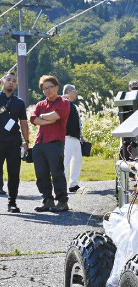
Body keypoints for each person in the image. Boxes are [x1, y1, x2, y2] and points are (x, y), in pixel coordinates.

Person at [30, 75, 71, 212]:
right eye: (44, 89)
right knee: (41, 174)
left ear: (57, 87)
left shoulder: (64, 102)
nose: (47, 91)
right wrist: (47, 118)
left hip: (55, 142)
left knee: (57, 172)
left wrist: (42, 116)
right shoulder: (40, 104)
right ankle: (48, 200)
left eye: (50, 87)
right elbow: (33, 119)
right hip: (39, 143)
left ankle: (62, 201)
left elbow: (56, 116)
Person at [0, 73, 29, 213]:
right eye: (8, 80)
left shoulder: (19, 102)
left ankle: (12, 202)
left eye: (14, 81)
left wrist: (26, 141)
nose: (11, 83)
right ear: (2, 82)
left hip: (13, 142)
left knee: (14, 173)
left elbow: (23, 123)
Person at [63, 84, 84, 193]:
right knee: (65, 162)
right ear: (68, 92)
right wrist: (63, 97)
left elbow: (78, 122)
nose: (76, 93)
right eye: (74, 91)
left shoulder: (74, 106)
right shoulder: (62, 103)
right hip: (67, 137)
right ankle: (62, 185)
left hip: (75, 137)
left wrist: (81, 135)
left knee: (77, 161)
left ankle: (74, 184)